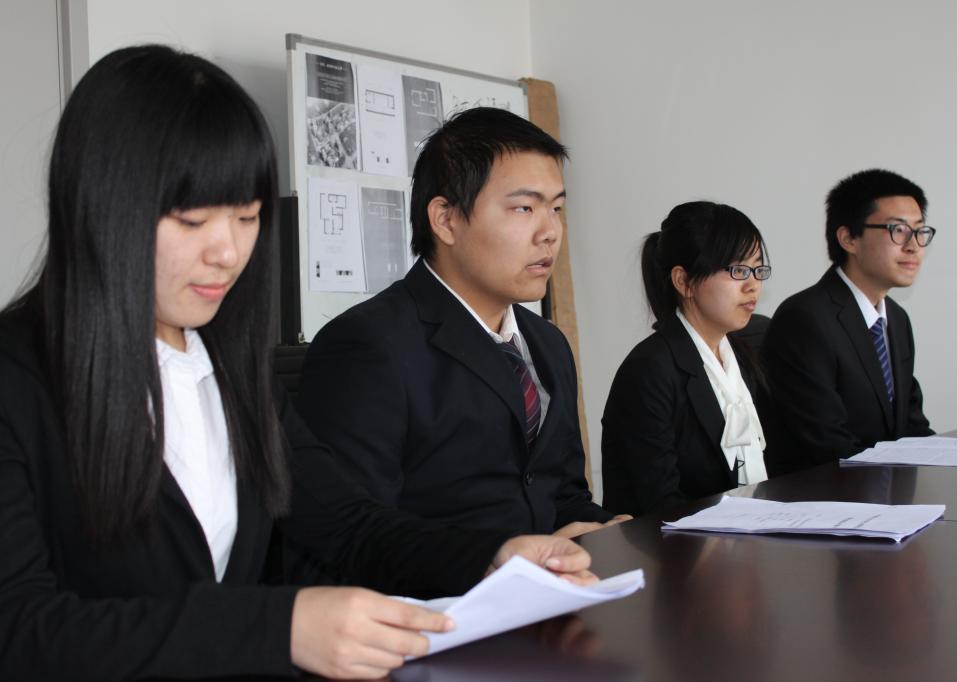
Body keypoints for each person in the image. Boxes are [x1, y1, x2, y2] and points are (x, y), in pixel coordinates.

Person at [0, 45, 594, 682]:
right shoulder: (20, 378)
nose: (228, 252)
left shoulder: (225, 364)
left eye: (247, 217)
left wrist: (492, 555)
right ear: (101, 204)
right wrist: (278, 627)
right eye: (193, 220)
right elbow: (20, 630)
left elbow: (345, 522)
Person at [298, 107, 627, 538]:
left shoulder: (548, 344)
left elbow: (561, 496)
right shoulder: (367, 346)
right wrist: (504, 561)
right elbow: (350, 537)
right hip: (443, 582)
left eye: (557, 208)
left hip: (550, 578)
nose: (550, 232)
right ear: (446, 219)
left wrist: (613, 531)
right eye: (524, 208)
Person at [602, 202, 772, 517]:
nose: (753, 285)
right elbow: (660, 504)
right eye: (738, 270)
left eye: (758, 270)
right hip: (668, 542)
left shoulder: (743, 355)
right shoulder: (649, 370)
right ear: (684, 281)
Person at [762, 169, 934, 472]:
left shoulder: (896, 319)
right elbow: (827, 445)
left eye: (920, 231)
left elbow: (912, 427)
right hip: (824, 493)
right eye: (898, 230)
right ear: (849, 238)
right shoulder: (805, 319)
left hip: (884, 490)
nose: (913, 245)